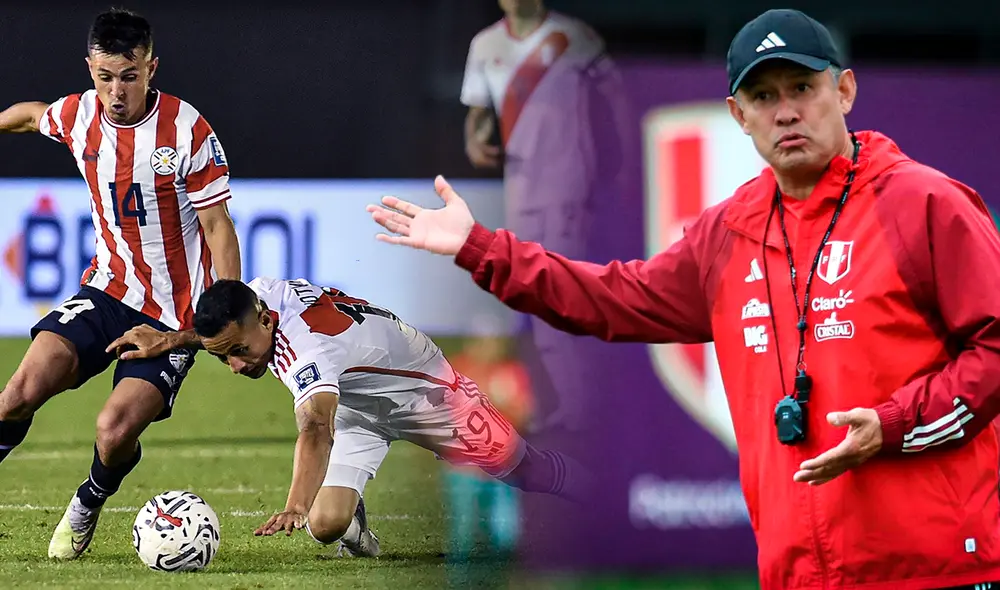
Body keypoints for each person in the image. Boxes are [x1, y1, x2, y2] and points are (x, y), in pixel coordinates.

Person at [368, 8, 1000, 590]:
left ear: (845, 91)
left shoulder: (922, 204)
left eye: (803, 88)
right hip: (803, 575)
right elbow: (614, 297)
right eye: (763, 95)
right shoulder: (730, 231)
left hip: (934, 567)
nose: (786, 111)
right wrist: (481, 248)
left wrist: (893, 426)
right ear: (738, 114)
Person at [109, 278, 588, 556]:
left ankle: (600, 491)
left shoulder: (307, 351)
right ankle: (354, 517)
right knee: (326, 527)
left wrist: (295, 503)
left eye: (239, 352)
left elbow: (317, 427)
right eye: (224, 357)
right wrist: (176, 338)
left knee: (524, 468)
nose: (236, 366)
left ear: (268, 322)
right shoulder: (259, 299)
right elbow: (224, 333)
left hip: (428, 395)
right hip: (357, 404)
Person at [0, 8, 240, 560]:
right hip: (105, 291)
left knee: (113, 431)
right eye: (104, 77)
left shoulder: (186, 130)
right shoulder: (79, 115)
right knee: (15, 394)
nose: (116, 91)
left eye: (129, 76)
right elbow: (32, 114)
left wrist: (225, 314)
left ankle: (88, 500)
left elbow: (217, 228)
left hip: (171, 314)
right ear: (90, 68)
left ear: (151, 68)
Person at [461, 0, 631, 432]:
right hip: (520, 186)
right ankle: (560, 403)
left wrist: (623, 165)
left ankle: (583, 407)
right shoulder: (486, 45)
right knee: (529, 294)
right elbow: (478, 117)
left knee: (562, 289)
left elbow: (617, 101)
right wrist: (477, 141)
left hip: (569, 184)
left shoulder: (574, 37)